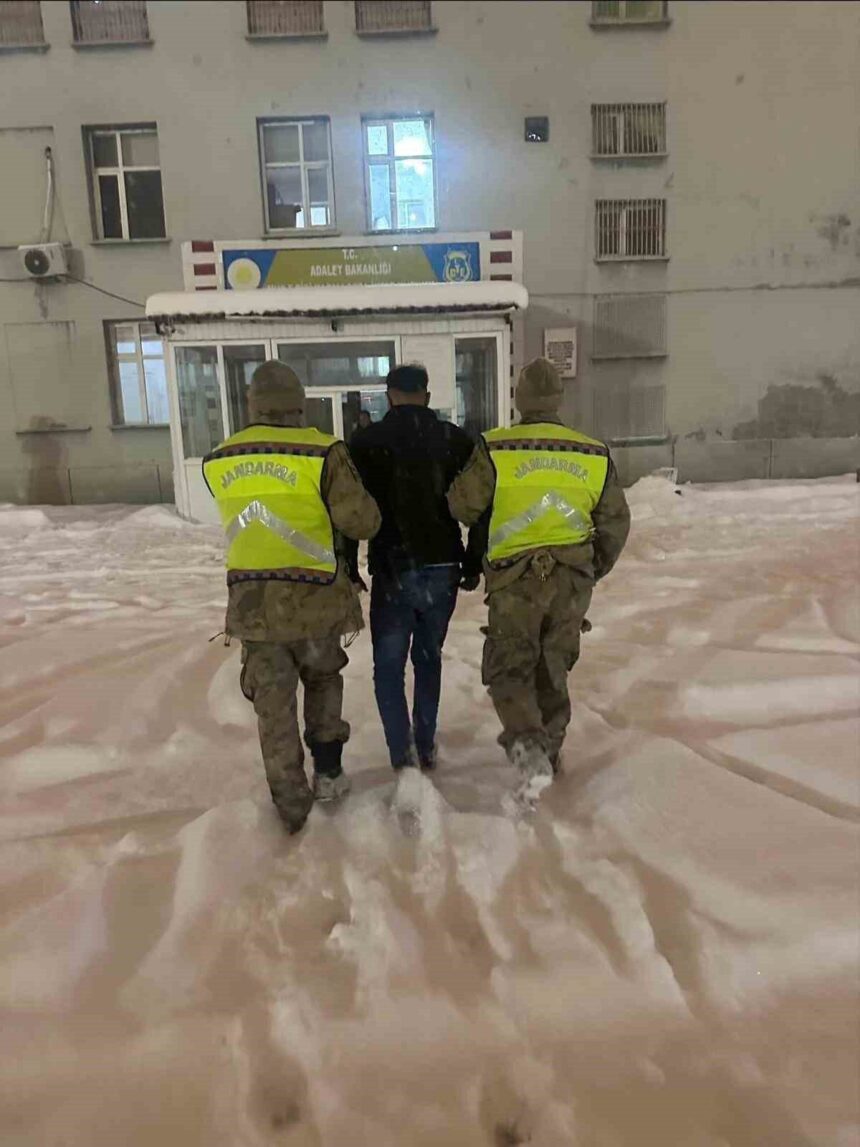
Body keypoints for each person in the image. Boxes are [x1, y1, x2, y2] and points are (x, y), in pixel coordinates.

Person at [203, 361, 381, 833]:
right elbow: (363, 522)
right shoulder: (323, 452)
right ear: (298, 403)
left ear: (252, 404)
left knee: (273, 704)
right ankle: (328, 775)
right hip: (316, 600)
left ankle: (289, 806)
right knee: (322, 682)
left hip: (254, 606)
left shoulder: (220, 457)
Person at [447, 357, 630, 804]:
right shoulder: (592, 453)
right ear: (558, 400)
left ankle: (530, 748)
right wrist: (590, 570)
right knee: (553, 666)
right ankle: (549, 748)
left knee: (510, 667)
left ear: (520, 398)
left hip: (515, 581)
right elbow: (615, 523)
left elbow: (461, 505)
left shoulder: (497, 447)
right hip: (571, 581)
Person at [346, 363, 486, 772]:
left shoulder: (366, 442)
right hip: (443, 565)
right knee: (428, 659)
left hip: (393, 568)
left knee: (389, 668)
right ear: (426, 395)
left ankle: (401, 756)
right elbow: (482, 502)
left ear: (389, 396)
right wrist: (473, 559)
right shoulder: (454, 439)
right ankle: (425, 745)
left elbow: (350, 508)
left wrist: (349, 565)